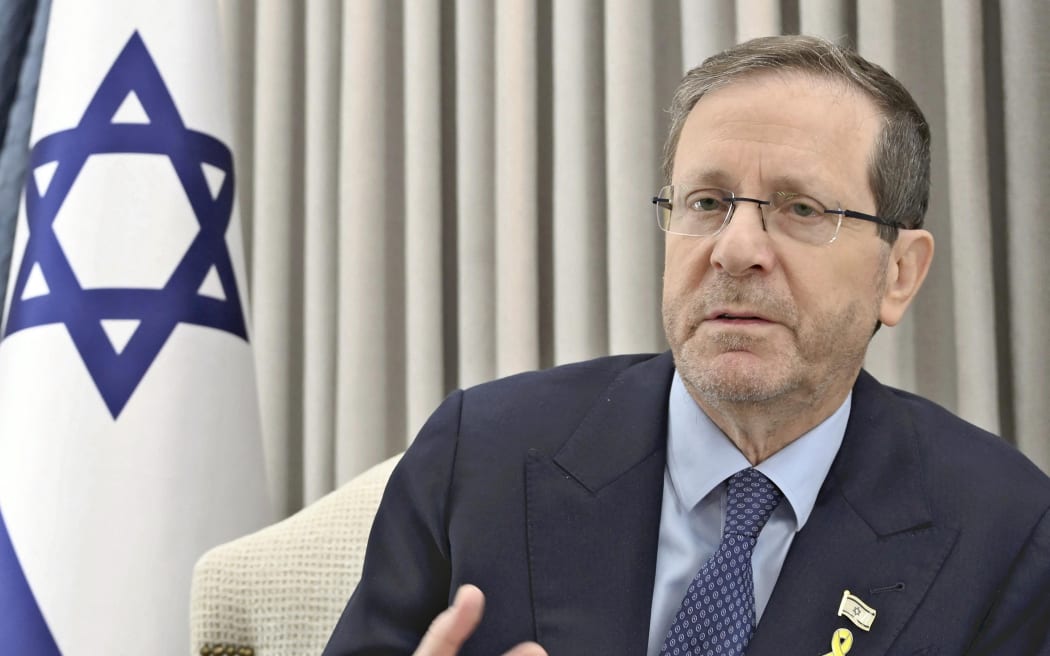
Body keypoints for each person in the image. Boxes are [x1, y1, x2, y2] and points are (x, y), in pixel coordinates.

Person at [322, 35, 1050, 656]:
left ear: (899, 274)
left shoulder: (1005, 531)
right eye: (706, 203)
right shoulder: (478, 453)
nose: (735, 251)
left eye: (800, 209)